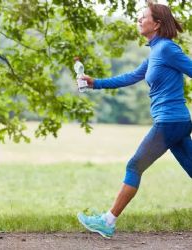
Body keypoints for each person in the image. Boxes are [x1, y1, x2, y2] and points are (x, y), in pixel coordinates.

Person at [77, 1, 192, 238]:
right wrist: (95, 83)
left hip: (170, 122)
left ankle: (107, 221)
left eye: (143, 17)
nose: (139, 20)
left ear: (157, 23)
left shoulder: (168, 49)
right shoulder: (155, 52)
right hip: (175, 122)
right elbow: (131, 77)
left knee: (134, 165)